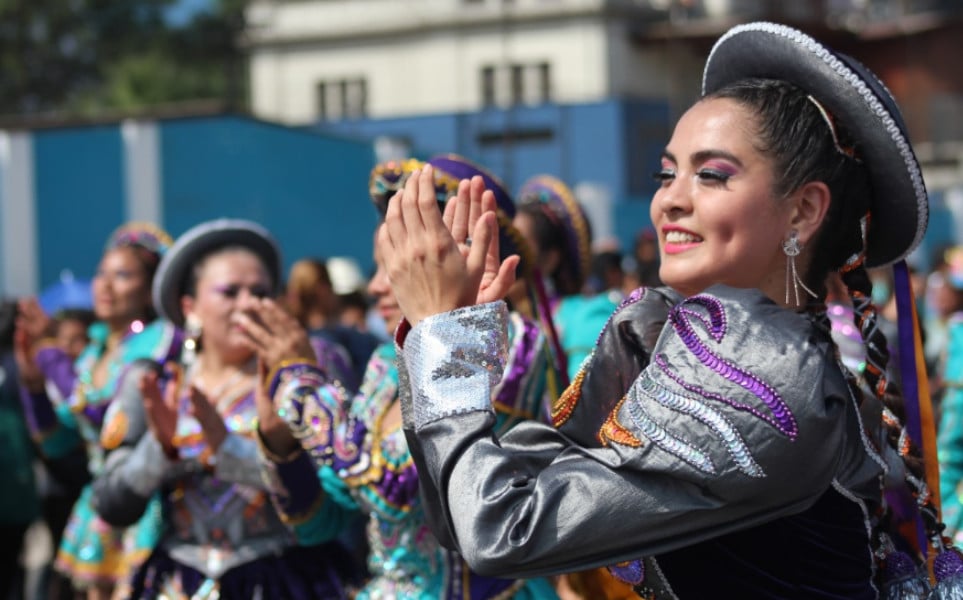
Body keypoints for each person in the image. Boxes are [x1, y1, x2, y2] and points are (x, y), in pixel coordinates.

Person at [378, 22, 959, 598]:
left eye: (711, 175)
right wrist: (450, 339)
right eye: (666, 173)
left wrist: (444, 339)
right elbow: (472, 512)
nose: (670, 199)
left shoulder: (774, 382)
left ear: (803, 211)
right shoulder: (671, 333)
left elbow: (504, 533)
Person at [260, 159, 558, 598]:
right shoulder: (385, 360)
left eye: (394, 263)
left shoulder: (509, 340)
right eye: (379, 264)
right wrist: (279, 442)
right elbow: (322, 521)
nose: (378, 286)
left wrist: (301, 388)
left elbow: (399, 487)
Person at [90, 219, 358, 599]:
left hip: (288, 580)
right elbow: (110, 503)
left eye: (260, 291)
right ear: (191, 307)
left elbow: (344, 490)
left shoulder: (308, 370)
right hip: (178, 583)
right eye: (229, 292)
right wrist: (159, 453)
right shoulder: (155, 380)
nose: (247, 303)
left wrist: (234, 452)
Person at [14, 223, 180, 600]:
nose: (105, 286)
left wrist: (51, 355)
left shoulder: (157, 344)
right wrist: (35, 387)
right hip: (99, 505)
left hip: (145, 506)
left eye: (122, 275)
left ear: (149, 287)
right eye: (102, 273)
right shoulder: (93, 353)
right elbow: (60, 444)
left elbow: (111, 424)